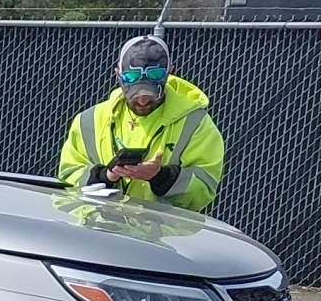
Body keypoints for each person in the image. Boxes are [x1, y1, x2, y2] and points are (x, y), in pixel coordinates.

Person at [57, 33, 226, 212]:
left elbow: (204, 188)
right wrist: (106, 176)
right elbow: (68, 178)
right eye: (135, 95)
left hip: (162, 234)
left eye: (151, 96)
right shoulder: (89, 121)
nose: (143, 102)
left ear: (170, 73)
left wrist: (161, 177)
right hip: (99, 231)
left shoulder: (195, 123)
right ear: (117, 74)